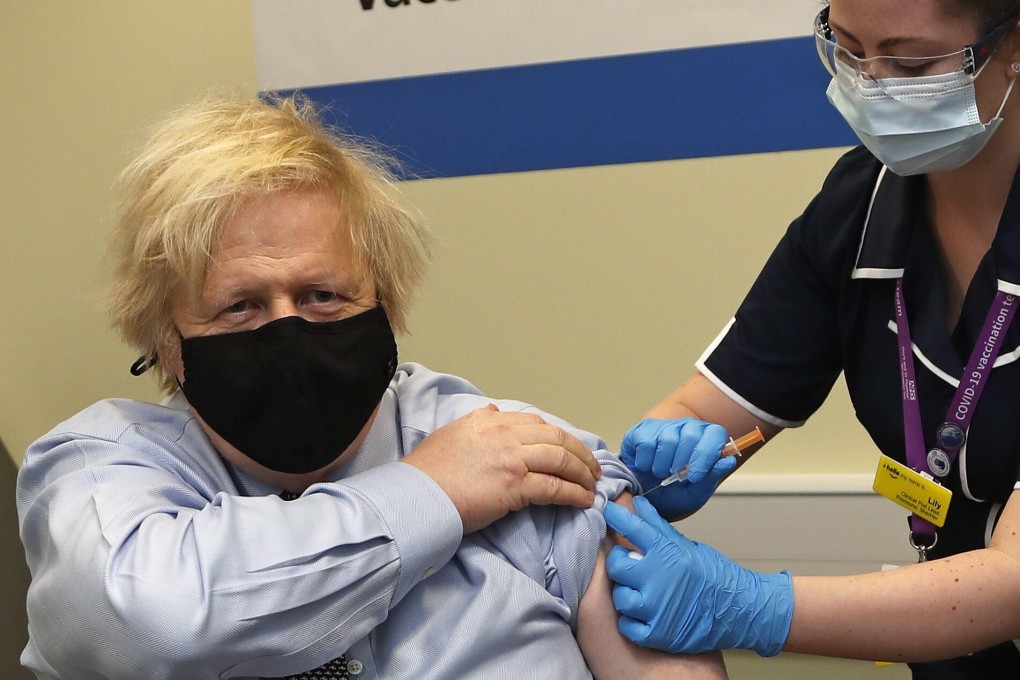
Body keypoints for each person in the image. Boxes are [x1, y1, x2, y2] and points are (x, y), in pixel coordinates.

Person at [14, 94, 728, 680]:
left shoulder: (515, 446)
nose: (288, 332)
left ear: (388, 305)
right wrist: (431, 491)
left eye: (323, 294)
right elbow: (148, 620)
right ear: (167, 343)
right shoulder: (102, 468)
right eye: (240, 306)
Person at [601, 0, 1020, 678]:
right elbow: (707, 408)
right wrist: (663, 450)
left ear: (1013, 44)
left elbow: (1013, 580)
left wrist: (754, 606)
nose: (870, 84)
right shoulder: (860, 209)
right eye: (849, 50)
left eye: (910, 63)